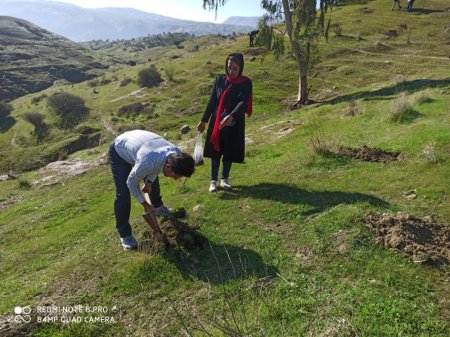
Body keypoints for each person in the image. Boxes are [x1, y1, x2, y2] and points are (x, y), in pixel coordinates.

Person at [109, 130, 195, 250]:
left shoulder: (176, 154)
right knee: (123, 193)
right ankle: (125, 234)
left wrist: (148, 182)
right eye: (176, 175)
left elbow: (158, 165)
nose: (176, 179)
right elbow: (131, 182)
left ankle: (158, 208)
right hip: (120, 150)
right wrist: (144, 204)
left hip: (143, 145)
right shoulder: (147, 162)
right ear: (169, 166)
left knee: (153, 181)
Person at [197, 53, 252, 192]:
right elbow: (212, 101)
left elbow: (243, 102)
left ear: (241, 68)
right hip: (217, 120)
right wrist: (203, 120)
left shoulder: (245, 83)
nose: (231, 71)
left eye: (235, 68)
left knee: (229, 149)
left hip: (234, 121)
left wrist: (231, 116)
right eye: (229, 68)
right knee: (216, 149)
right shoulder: (220, 80)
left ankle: (224, 179)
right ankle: (213, 181)